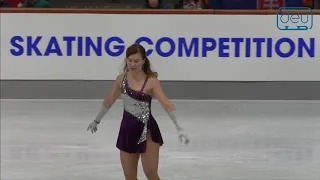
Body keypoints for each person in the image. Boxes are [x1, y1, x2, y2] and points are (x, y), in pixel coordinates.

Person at [87, 44, 190, 180]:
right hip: (127, 131)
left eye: (136, 61)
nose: (132, 64)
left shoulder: (151, 82)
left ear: (143, 61)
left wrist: (179, 127)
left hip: (147, 131)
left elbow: (166, 104)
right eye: (130, 60)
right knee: (129, 177)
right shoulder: (121, 79)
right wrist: (96, 120)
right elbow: (109, 100)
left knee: (151, 173)